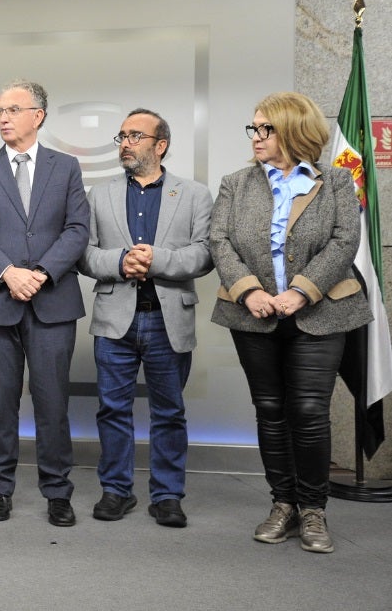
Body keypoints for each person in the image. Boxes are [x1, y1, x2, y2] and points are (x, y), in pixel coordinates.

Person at [210, 91, 370, 553]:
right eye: (253, 129)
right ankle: (283, 504)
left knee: (308, 411)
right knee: (270, 410)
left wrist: (301, 291)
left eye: (266, 129)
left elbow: (345, 242)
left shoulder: (337, 181)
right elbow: (219, 241)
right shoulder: (236, 183)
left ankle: (313, 509)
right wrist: (250, 291)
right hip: (253, 313)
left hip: (321, 313)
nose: (256, 137)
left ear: (294, 132)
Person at [0, 79, 88, 526]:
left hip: (52, 300)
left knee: (53, 402)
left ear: (39, 115)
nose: (3, 118)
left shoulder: (66, 166)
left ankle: (57, 492)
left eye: (12, 110)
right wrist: (8, 273)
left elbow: (77, 229)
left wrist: (42, 273)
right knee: (0, 402)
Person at [78, 108, 213, 528]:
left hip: (167, 318)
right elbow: (83, 253)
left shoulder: (194, 195)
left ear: (161, 145)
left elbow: (206, 253)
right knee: (112, 409)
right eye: (121, 136)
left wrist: (158, 260)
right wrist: (121, 262)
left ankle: (167, 496)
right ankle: (116, 491)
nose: (125, 143)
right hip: (115, 318)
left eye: (135, 136)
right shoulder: (98, 195)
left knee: (169, 411)